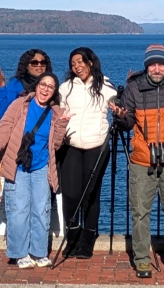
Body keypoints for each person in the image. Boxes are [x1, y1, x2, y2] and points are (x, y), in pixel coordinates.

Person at [110, 44, 164, 278]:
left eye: (161, 64)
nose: (156, 68)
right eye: (152, 64)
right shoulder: (134, 88)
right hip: (141, 160)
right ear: (146, 66)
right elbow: (127, 122)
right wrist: (119, 117)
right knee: (139, 214)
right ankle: (142, 259)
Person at [0, 72, 71, 269]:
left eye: (50, 86)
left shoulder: (55, 112)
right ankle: (19, 253)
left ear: (54, 91)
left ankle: (39, 252)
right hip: (18, 164)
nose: (45, 89)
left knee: (41, 210)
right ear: (36, 86)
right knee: (18, 210)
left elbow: (56, 144)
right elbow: (5, 127)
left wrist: (63, 124)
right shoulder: (20, 104)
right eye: (43, 84)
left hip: (41, 166)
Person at [57, 47, 118, 260]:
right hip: (71, 145)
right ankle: (72, 236)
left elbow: (117, 104)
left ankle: (87, 239)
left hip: (96, 147)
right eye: (73, 63)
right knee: (71, 194)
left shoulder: (105, 85)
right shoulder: (66, 88)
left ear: (90, 62)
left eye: (81, 61)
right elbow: (60, 112)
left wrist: (118, 109)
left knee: (90, 195)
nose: (77, 66)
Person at [0, 49, 53, 118]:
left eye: (43, 62)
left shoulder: (52, 84)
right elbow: (3, 113)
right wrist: (1, 84)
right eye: (34, 63)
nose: (39, 65)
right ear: (26, 66)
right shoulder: (17, 84)